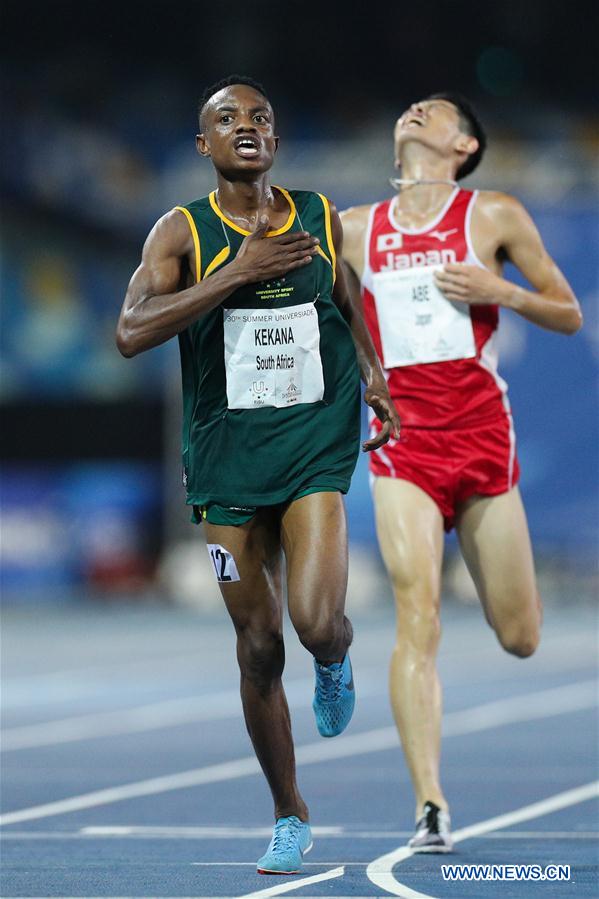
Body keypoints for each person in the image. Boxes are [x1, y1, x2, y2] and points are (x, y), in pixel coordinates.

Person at [116, 75, 399, 875]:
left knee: (313, 625)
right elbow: (131, 333)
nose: (248, 126)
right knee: (259, 648)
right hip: (225, 460)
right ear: (204, 145)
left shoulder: (316, 215)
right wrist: (236, 273)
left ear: (275, 140)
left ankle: (337, 656)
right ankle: (288, 813)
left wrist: (373, 371)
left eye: (261, 117)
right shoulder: (179, 232)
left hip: (312, 440)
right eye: (227, 119)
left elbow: (341, 295)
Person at [340, 92, 582, 853]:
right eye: (409, 106)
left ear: (465, 145)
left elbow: (567, 310)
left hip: (480, 438)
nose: (414, 110)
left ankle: (433, 793)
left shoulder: (493, 215)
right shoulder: (353, 228)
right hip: (401, 442)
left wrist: (498, 290)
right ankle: (429, 803)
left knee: (519, 635)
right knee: (417, 613)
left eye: (433, 110)